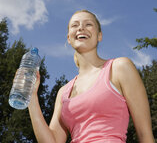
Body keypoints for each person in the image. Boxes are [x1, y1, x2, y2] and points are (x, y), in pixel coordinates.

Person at [28, 9, 155, 143]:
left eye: (88, 24)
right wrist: (31, 97)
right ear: (69, 38)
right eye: (75, 25)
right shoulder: (63, 92)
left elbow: (145, 135)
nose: (81, 28)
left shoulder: (119, 68)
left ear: (99, 35)